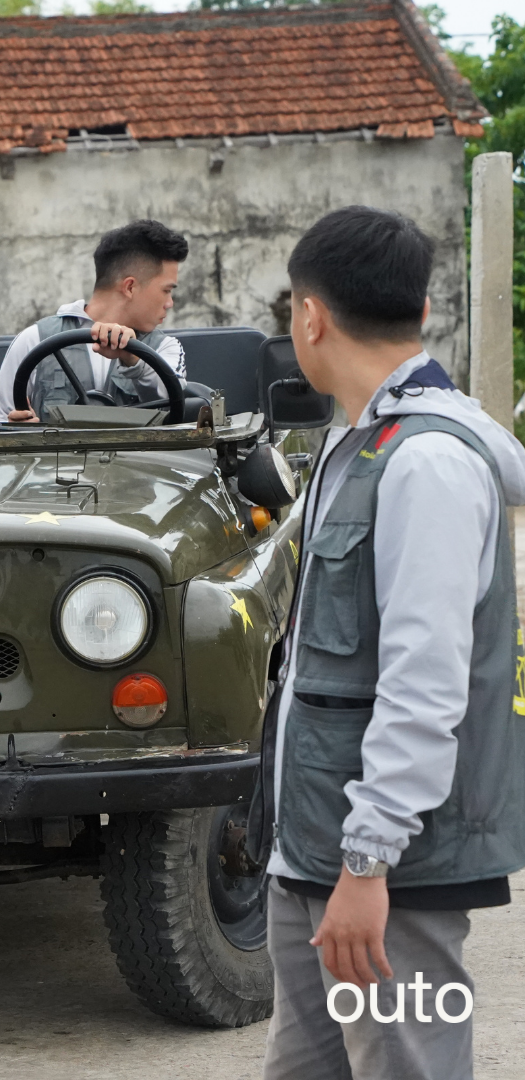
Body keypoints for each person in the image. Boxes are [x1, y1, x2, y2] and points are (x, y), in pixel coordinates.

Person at [251, 205, 525, 1080]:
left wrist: (368, 861)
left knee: (408, 1065)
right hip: (315, 853)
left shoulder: (428, 465)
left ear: (309, 316)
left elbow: (426, 682)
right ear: (424, 309)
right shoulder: (355, 441)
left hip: (387, 872)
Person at [0, 220, 189, 423]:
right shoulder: (34, 339)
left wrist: (134, 359)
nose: (169, 303)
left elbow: (176, 407)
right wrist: (16, 430)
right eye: (166, 290)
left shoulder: (165, 349)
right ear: (130, 287)